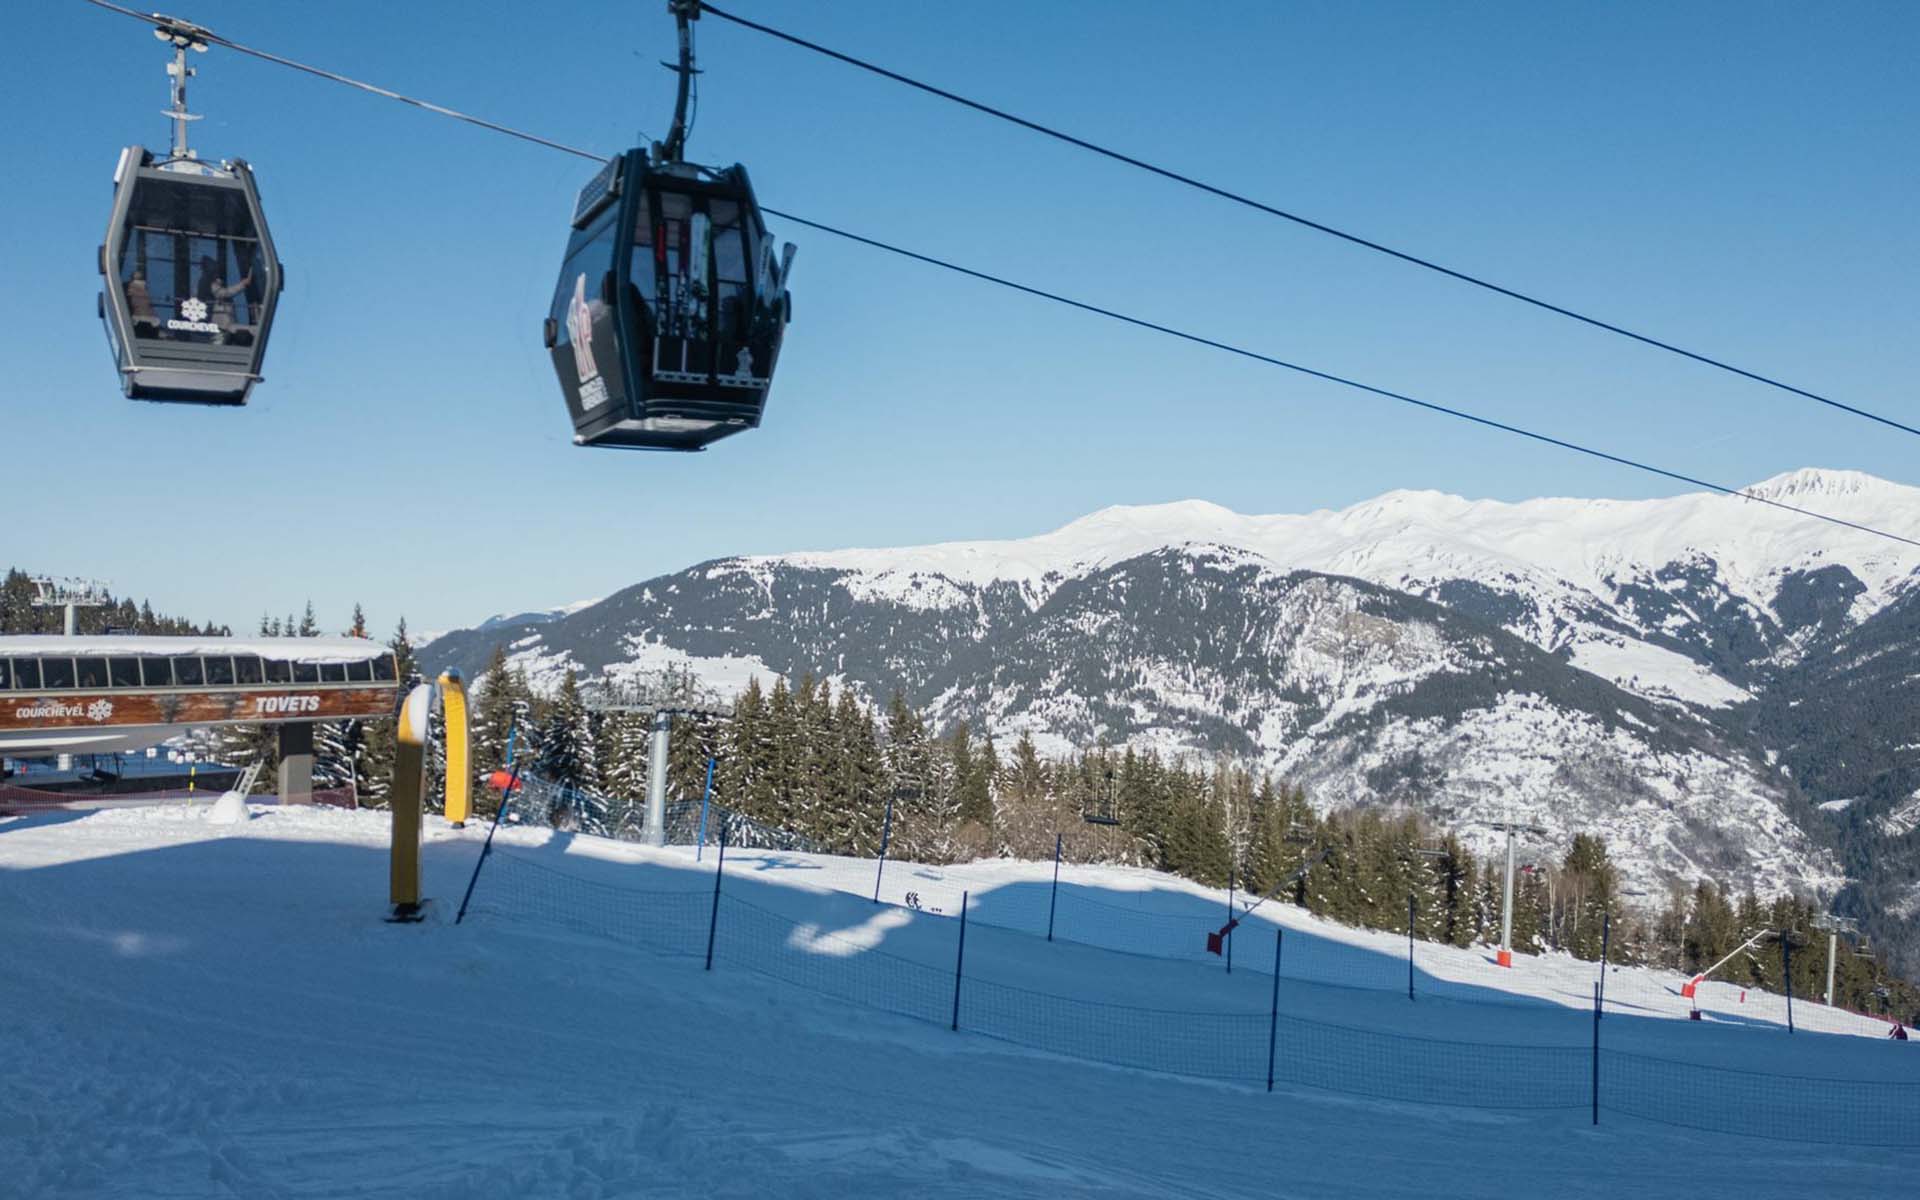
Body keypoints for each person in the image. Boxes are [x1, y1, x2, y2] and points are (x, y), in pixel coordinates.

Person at [196, 253, 253, 343]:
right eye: (214, 268)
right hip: (219, 322)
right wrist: (243, 284)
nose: (216, 271)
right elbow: (223, 293)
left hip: (220, 322)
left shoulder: (207, 281)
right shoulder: (207, 282)